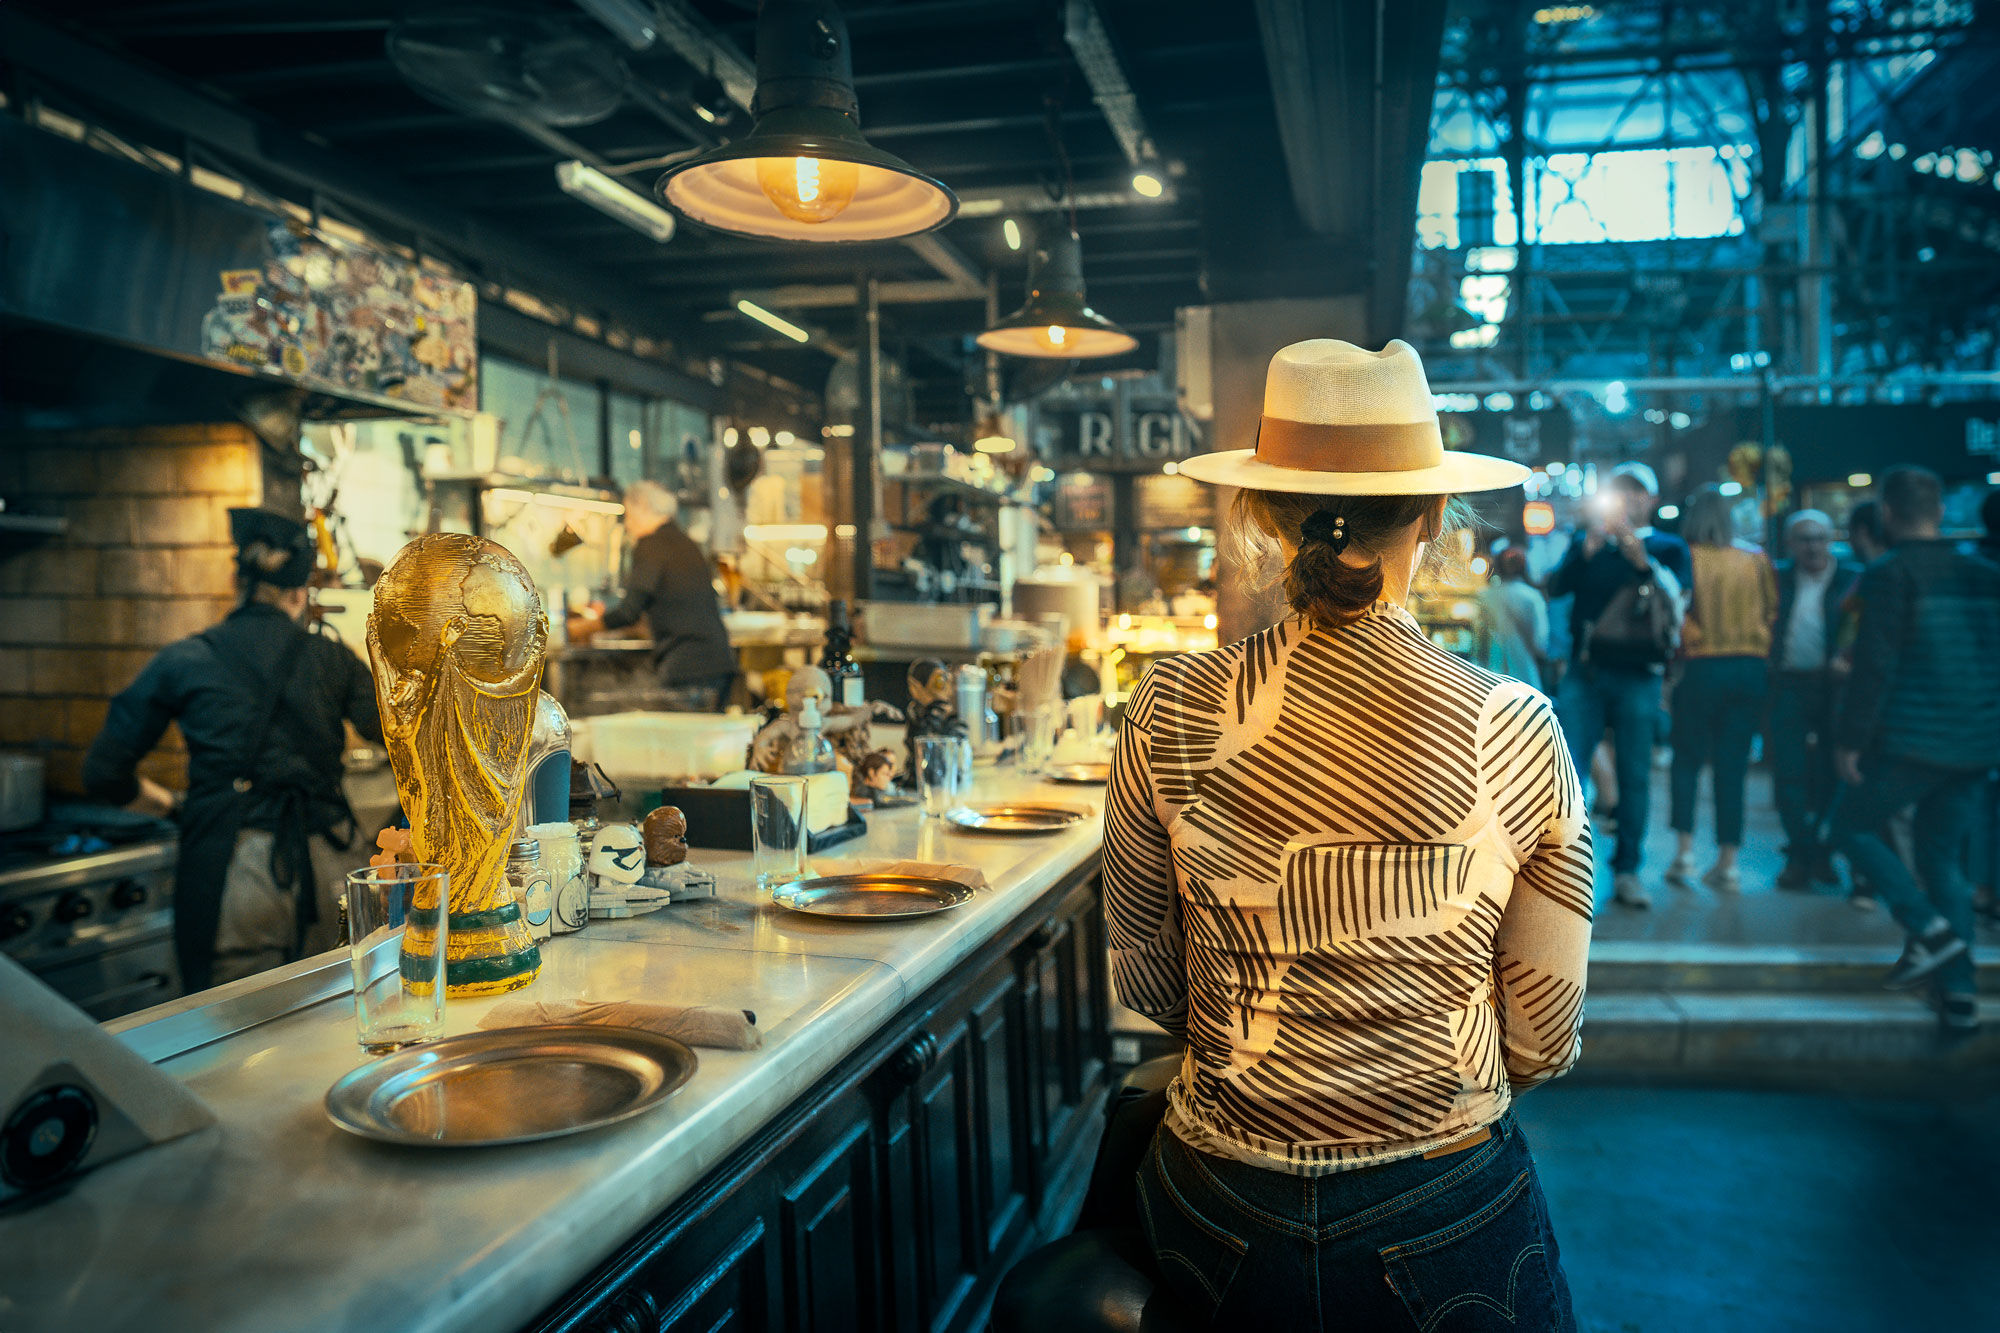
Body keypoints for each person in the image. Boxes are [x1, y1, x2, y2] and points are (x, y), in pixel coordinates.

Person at [1110, 339, 1589, 1329]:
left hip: (1216, 1200)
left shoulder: (1166, 705)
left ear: (1259, 516)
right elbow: (1538, 1039)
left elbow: (1148, 988)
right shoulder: (1513, 723)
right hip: (1445, 1198)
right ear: (1435, 516)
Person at [83, 509, 382, 991]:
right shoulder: (332, 659)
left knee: (237, 1035)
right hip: (334, 865)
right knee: (342, 1014)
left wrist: (170, 806)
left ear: (234, 579)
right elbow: (401, 741)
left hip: (235, 867)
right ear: (300, 593)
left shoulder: (185, 660)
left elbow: (103, 772)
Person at [1832, 467, 2000, 1034]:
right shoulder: (1985, 574)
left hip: (1911, 739)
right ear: (1942, 509)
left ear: (1888, 513)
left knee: (1849, 827)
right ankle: (1959, 998)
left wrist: (1851, 741)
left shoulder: (1889, 573)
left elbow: (1874, 665)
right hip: (1975, 743)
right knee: (1942, 860)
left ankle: (1929, 930)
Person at [1546, 461, 1693, 908]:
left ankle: (1628, 870)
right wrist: (1587, 548)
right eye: (1619, 492)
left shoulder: (1668, 546)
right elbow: (1556, 587)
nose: (1627, 500)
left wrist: (1638, 556)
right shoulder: (1589, 542)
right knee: (1566, 774)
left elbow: (1678, 601)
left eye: (1636, 492)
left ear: (1651, 499)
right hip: (1585, 671)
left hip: (1639, 676)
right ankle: (1560, 870)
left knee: (1634, 776)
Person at [1665, 485, 1777, 893]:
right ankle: (1728, 861)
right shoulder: (1756, 559)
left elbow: (1676, 616)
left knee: (1688, 759)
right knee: (1733, 765)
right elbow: (1771, 612)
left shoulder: (1686, 557)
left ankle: (1684, 854)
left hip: (1700, 667)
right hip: (1750, 669)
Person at [568, 480, 735, 711]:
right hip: (718, 660)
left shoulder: (651, 545)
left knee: (683, 742)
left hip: (689, 667)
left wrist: (581, 628)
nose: (627, 524)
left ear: (643, 507)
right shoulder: (685, 542)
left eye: (628, 514)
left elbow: (629, 611)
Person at [1768, 509, 1861, 889]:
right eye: (1804, 539)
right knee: (1787, 772)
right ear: (1790, 544)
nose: (1813, 546)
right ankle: (1804, 851)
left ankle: (1814, 851)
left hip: (1834, 689)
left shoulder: (1851, 580)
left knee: (1830, 773)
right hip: (1787, 684)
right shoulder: (1778, 578)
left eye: (1820, 538)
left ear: (1831, 540)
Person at [1474, 545, 1551, 690]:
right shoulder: (1531, 597)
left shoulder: (1486, 596)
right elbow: (1540, 644)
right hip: (1524, 674)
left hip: (1490, 673)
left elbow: (1479, 638)